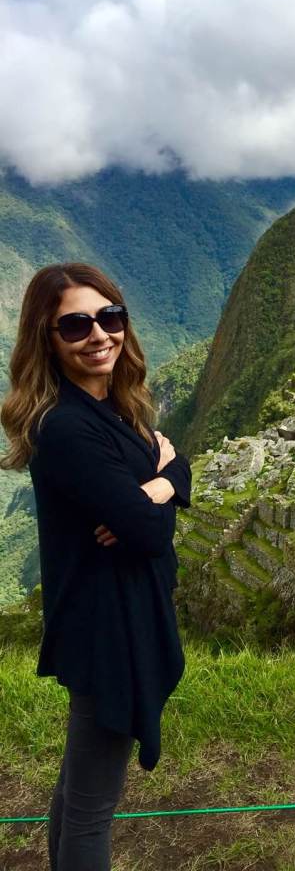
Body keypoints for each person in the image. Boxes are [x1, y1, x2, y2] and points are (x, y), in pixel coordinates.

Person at [0, 262, 192, 871]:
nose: (98, 335)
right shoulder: (65, 428)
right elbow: (147, 531)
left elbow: (175, 467)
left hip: (110, 616)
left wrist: (159, 486)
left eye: (109, 318)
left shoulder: (114, 408)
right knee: (90, 811)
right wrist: (159, 495)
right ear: (46, 339)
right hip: (107, 629)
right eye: (75, 325)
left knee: (78, 790)